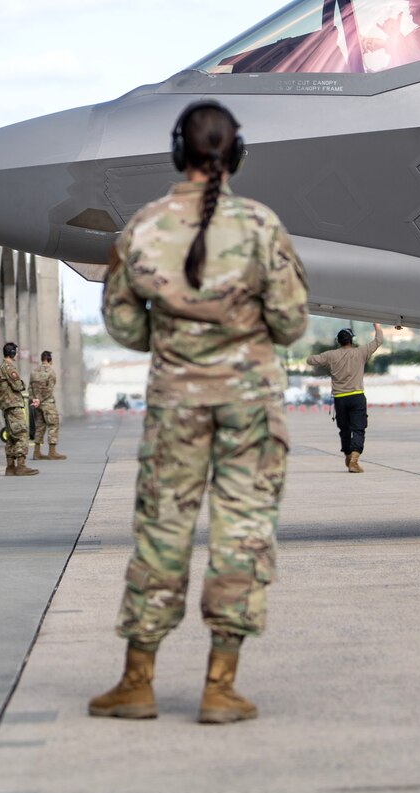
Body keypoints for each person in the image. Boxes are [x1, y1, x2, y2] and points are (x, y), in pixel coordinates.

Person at [90, 102, 307, 725]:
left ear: (176, 152)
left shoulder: (143, 227)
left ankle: (137, 681)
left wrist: (174, 336)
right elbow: (291, 323)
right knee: (242, 531)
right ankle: (220, 685)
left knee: (162, 528)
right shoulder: (263, 227)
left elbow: (124, 323)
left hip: (174, 407)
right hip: (251, 407)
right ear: (234, 155)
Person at [310, 326, 403, 473]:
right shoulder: (361, 352)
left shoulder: (331, 355)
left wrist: (321, 359)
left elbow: (311, 360)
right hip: (357, 397)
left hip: (340, 399)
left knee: (344, 429)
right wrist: (376, 325)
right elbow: (378, 340)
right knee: (359, 429)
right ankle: (354, 459)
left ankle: (348, 453)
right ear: (351, 340)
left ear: (338, 341)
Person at [0, 343, 38, 477]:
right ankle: (21, 465)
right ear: (12, 353)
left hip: (8, 406)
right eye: (16, 352)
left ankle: (10, 467)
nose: (17, 355)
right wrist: (23, 384)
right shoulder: (9, 367)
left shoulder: (3, 367)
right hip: (13, 406)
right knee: (21, 434)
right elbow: (18, 385)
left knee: (11, 437)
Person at [30, 348, 66, 461]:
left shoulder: (34, 371)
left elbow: (30, 388)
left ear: (42, 359)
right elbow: (49, 390)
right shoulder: (51, 372)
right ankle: (52, 452)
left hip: (37, 404)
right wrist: (40, 399)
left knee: (39, 426)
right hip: (47, 403)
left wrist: (35, 400)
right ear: (50, 360)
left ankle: (37, 452)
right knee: (53, 425)